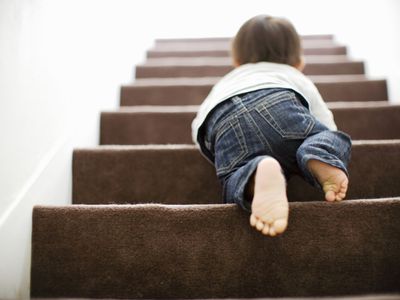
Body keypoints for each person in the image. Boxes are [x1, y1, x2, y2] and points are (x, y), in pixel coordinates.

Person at [191, 15, 352, 237]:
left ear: (237, 60)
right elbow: (325, 119)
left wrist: (217, 153)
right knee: (329, 137)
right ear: (298, 61)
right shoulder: (292, 74)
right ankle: (317, 154)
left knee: (236, 175)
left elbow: (199, 125)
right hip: (280, 102)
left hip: (223, 122)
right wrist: (327, 141)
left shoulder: (226, 81)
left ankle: (255, 172)